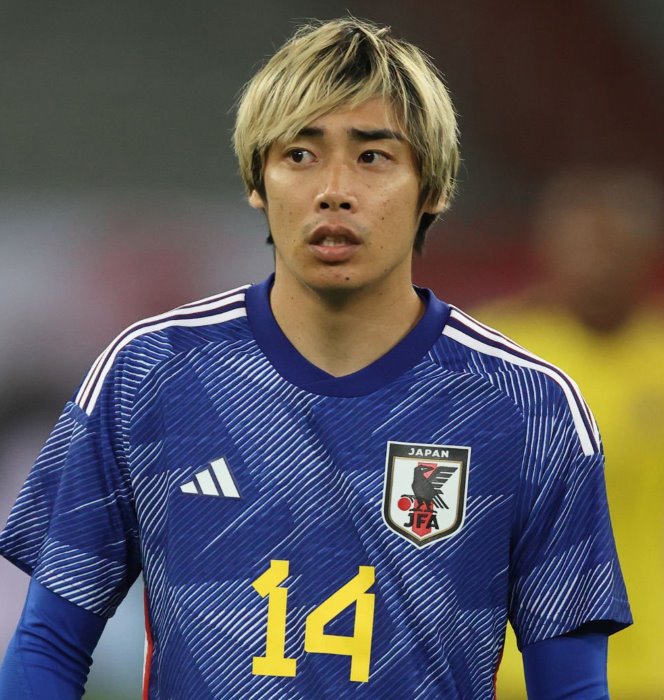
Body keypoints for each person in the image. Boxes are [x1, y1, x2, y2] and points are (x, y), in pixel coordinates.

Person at [0, 18, 631, 699]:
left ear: (434, 188)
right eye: (299, 154)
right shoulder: (149, 373)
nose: (334, 189)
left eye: (373, 156)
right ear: (257, 180)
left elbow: (571, 688)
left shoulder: (529, 407)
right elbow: (47, 647)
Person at [477, 169, 664, 699]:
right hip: (515, 666)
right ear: (548, 250)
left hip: (647, 667)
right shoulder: (496, 356)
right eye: (581, 246)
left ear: (650, 255)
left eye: (614, 247)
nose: (597, 264)